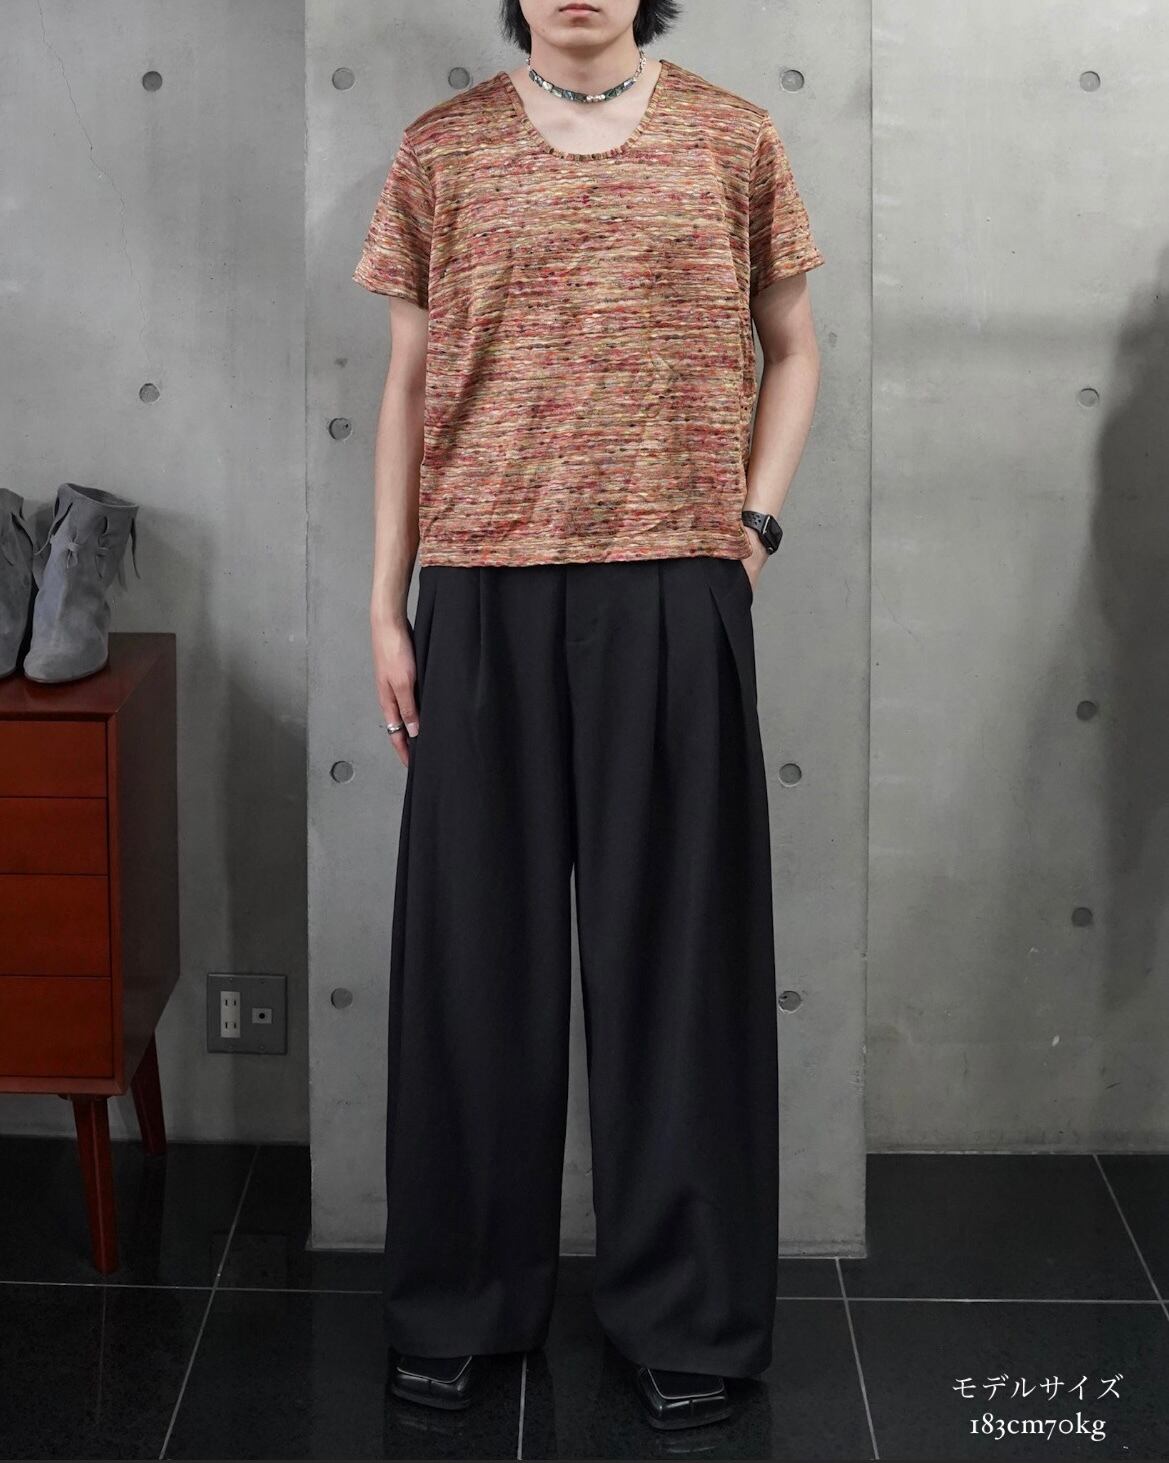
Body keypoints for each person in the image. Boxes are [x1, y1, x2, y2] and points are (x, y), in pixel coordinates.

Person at [354, 0, 824, 1432]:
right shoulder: (441, 149)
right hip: (482, 586)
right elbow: (409, 385)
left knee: (679, 962)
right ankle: (462, 1304)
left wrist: (751, 526)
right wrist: (387, 605)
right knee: (473, 962)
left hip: (675, 582)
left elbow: (794, 345)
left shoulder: (733, 137)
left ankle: (685, 1315)